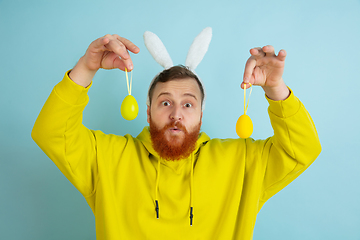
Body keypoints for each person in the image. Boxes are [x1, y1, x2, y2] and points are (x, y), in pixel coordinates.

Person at [32, 33, 321, 240]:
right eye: (165, 102)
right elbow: (52, 132)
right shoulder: (106, 158)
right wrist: (86, 67)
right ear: (148, 113)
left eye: (188, 104)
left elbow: (302, 150)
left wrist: (275, 88)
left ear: (201, 116)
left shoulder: (242, 162)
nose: (176, 115)